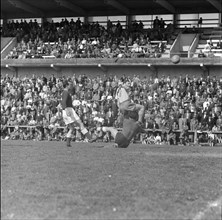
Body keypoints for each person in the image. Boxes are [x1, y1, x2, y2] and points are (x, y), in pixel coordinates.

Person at [61, 81, 95, 147]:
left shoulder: (64, 92)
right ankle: (90, 138)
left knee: (71, 128)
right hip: (68, 110)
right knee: (80, 124)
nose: (70, 86)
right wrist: (66, 109)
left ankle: (68, 142)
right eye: (70, 85)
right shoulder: (65, 92)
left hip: (65, 111)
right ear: (67, 85)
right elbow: (63, 101)